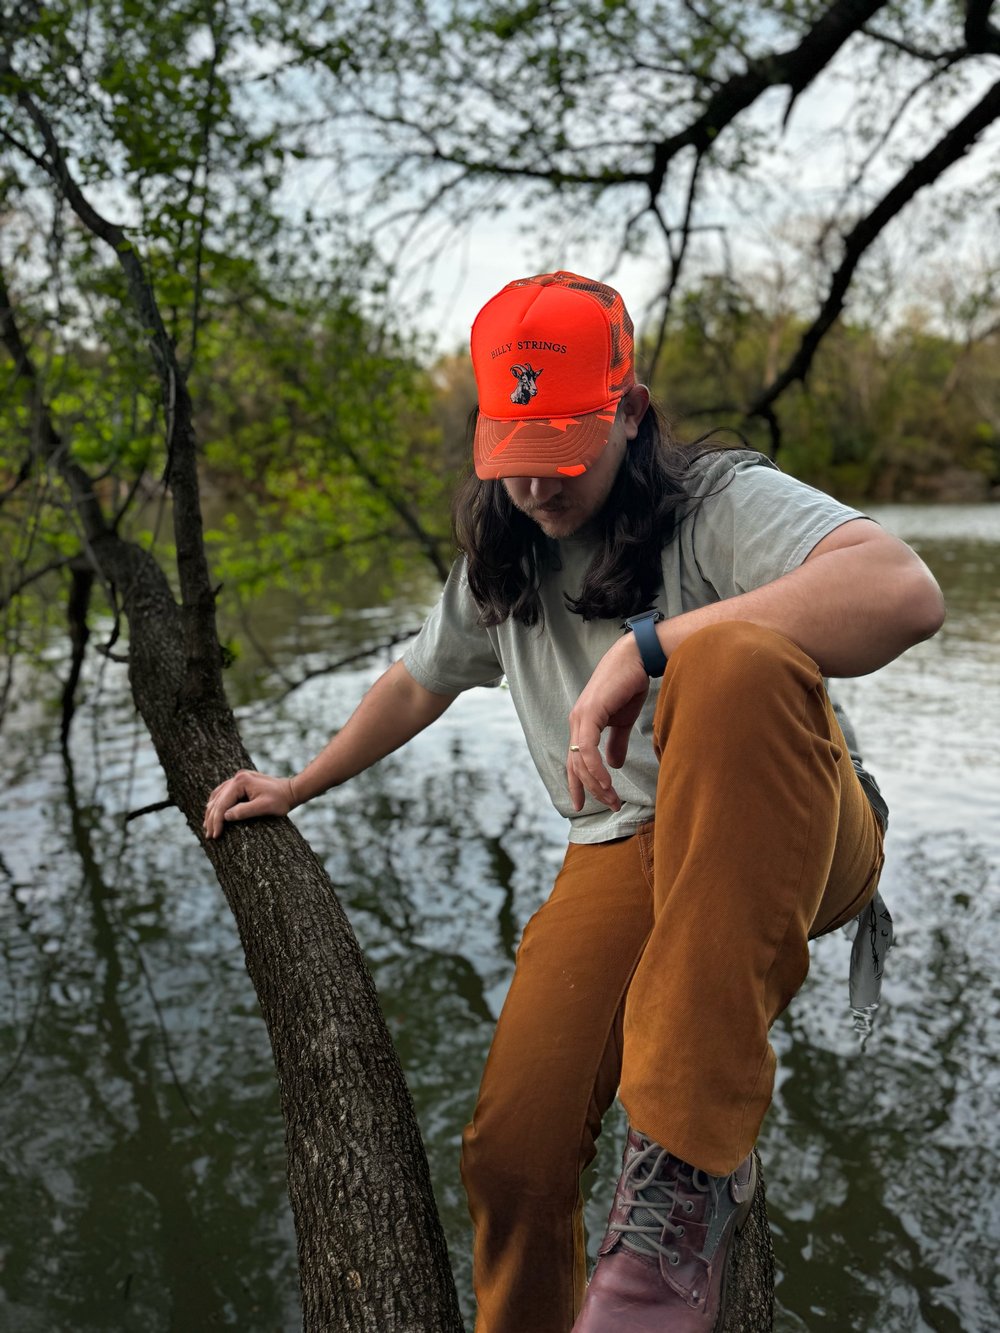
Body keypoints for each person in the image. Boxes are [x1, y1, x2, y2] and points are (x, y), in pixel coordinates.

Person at [203, 272, 945, 1332]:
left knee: (729, 660)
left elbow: (903, 593)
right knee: (514, 1153)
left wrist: (652, 647)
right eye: (514, 459)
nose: (539, 489)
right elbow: (417, 679)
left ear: (629, 413)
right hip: (625, 843)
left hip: (795, 815)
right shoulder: (499, 560)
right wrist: (297, 782)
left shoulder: (718, 501)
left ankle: (683, 1169)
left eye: (562, 455)